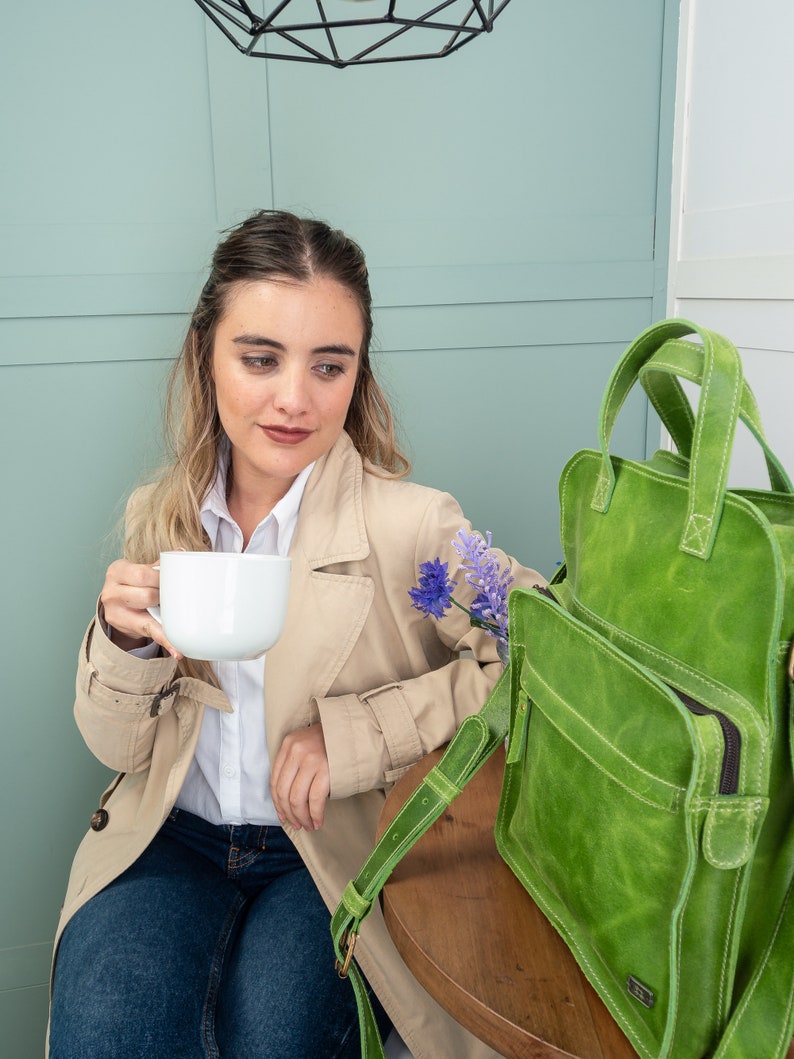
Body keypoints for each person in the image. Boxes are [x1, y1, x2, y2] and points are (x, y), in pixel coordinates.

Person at [48, 209, 545, 1059]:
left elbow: (537, 653)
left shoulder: (416, 526)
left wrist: (350, 736)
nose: (294, 398)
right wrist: (121, 643)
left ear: (358, 374)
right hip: (172, 839)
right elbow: (115, 745)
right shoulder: (161, 517)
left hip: (329, 853)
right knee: (108, 1027)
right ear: (207, 354)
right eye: (260, 358)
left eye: (329, 365)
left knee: (276, 1039)